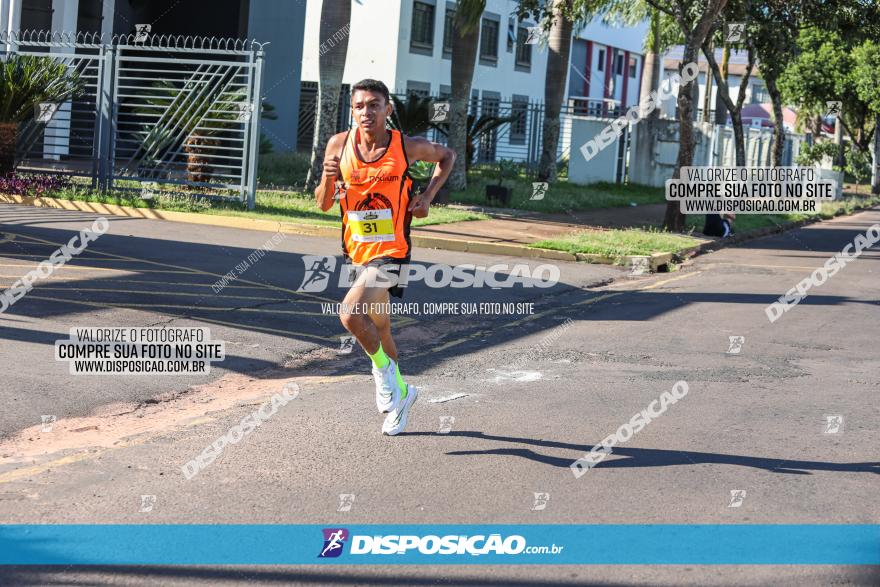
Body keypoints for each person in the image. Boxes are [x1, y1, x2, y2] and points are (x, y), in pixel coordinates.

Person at [313, 79, 456, 436]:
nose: (367, 112)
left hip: (392, 253)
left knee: (349, 314)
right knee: (380, 328)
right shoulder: (338, 145)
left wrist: (427, 196)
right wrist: (329, 180)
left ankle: (383, 376)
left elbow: (447, 156)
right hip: (358, 251)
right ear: (352, 110)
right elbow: (323, 203)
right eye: (360, 105)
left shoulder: (405, 146)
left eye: (374, 104)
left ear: (387, 110)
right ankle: (402, 396)